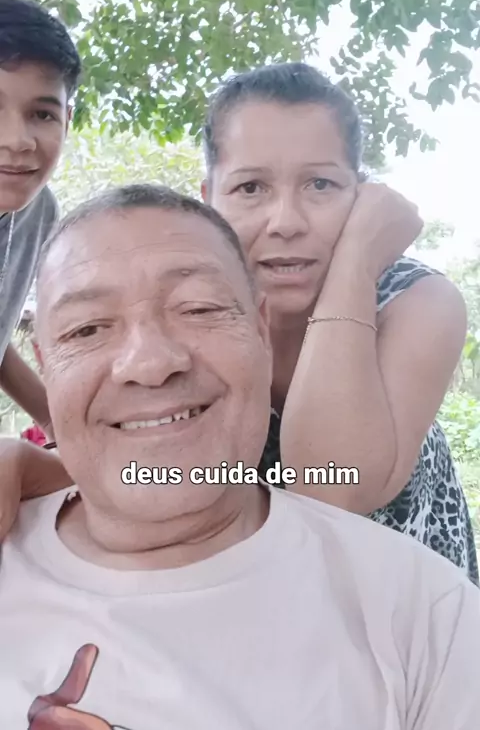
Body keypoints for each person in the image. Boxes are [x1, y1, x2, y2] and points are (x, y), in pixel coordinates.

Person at [0, 184, 479, 729]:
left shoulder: (420, 616)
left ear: (259, 329)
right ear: (45, 364)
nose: (151, 363)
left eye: (198, 308)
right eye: (87, 328)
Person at [0, 63, 477, 585]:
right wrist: (30, 464)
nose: (286, 222)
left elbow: (330, 485)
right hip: (265, 589)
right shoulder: (190, 306)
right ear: (209, 199)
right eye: (251, 188)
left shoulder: (414, 300)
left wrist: (356, 263)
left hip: (405, 595)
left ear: (361, 196)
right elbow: (158, 466)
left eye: (321, 184)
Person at [0, 0, 80, 437]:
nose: (17, 140)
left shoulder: (38, 211)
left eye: (41, 114)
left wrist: (58, 426)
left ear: (67, 119)